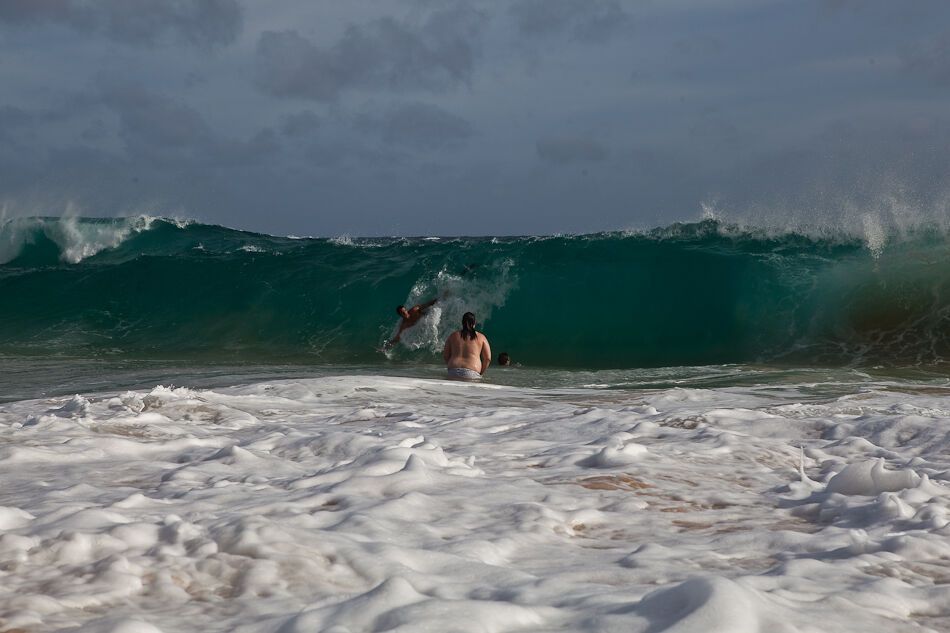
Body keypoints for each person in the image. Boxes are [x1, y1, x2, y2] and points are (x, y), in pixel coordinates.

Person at [443, 312, 491, 380]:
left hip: (453, 371)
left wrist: (452, 365)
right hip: (472, 372)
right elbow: (488, 358)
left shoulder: (453, 336)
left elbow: (445, 355)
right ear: (474, 323)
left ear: (462, 323)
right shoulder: (481, 337)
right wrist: (480, 373)